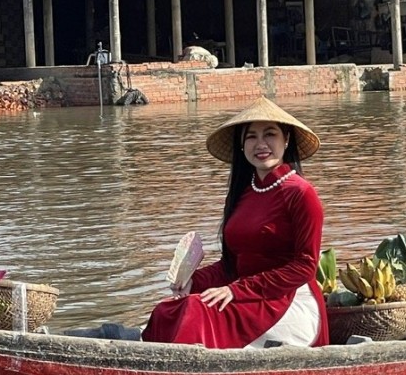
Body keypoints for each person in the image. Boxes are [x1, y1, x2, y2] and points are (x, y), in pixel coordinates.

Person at [141, 98, 330, 348]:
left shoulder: (301, 194)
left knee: (197, 311)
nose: (260, 144)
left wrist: (236, 291)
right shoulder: (242, 195)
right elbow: (231, 266)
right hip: (247, 297)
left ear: (286, 139)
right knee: (168, 310)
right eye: (251, 137)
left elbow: (305, 267)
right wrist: (193, 281)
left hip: (288, 300)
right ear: (242, 145)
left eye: (269, 134)